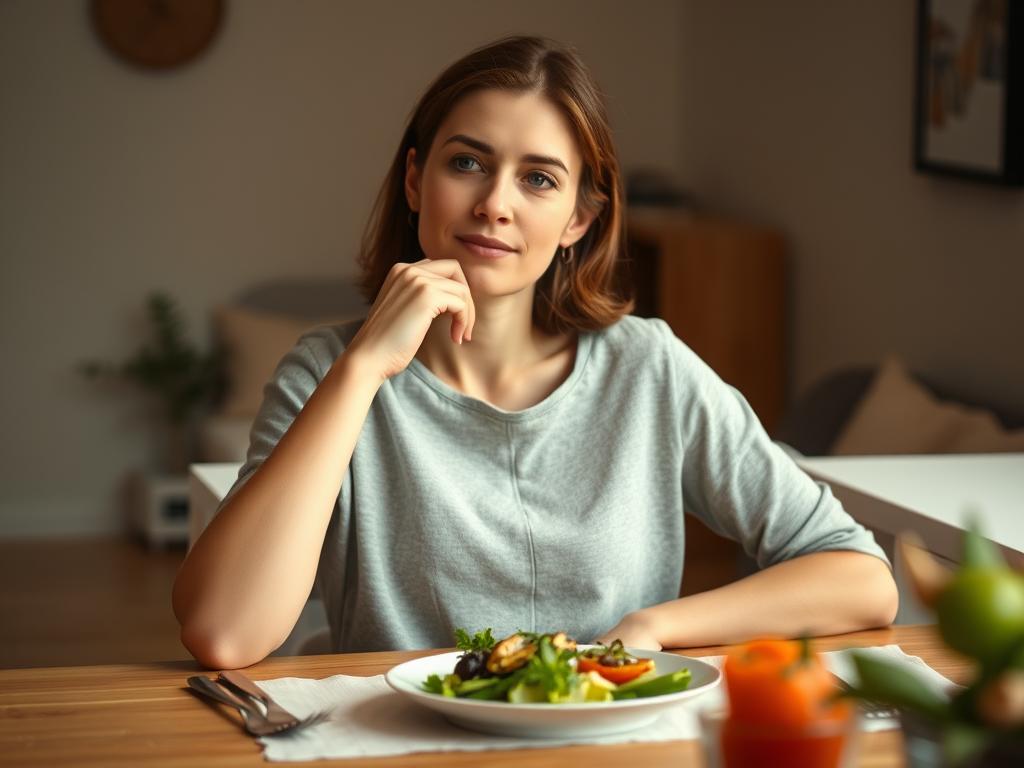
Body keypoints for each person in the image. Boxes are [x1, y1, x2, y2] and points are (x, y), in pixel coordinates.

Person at [173, 36, 898, 670]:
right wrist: (362, 370)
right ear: (415, 181)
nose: (495, 203)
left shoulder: (649, 370)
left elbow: (861, 576)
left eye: (539, 179)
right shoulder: (326, 372)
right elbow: (223, 633)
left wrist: (655, 628)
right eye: (467, 163)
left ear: (579, 217)